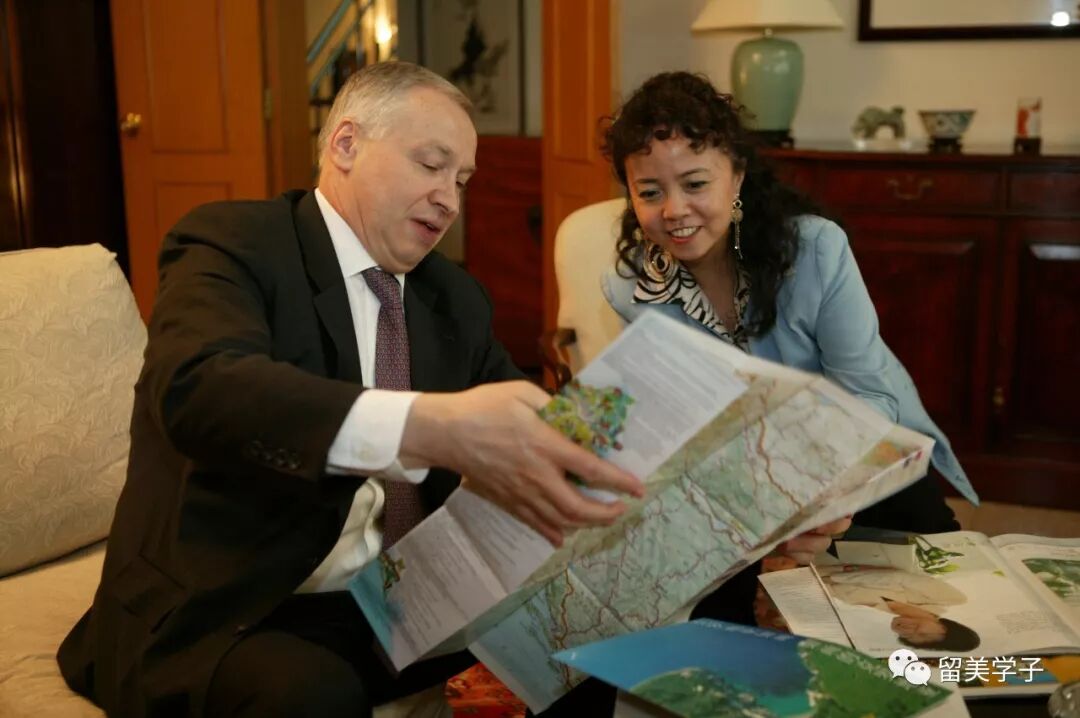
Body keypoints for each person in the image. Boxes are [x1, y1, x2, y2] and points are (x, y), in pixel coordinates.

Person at [56, 61, 646, 718]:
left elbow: (527, 421)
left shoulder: (455, 298)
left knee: (586, 628)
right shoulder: (233, 242)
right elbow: (198, 390)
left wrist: (627, 453)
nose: (450, 200)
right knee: (310, 694)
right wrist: (427, 426)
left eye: (461, 180)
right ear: (345, 144)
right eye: (431, 165)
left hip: (396, 601)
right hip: (240, 604)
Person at [534, 70, 976, 716]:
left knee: (939, 618)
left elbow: (871, 400)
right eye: (649, 191)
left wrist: (824, 502)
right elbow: (680, 417)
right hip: (745, 483)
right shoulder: (632, 287)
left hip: (865, 460)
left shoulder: (816, 250)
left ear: (736, 177)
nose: (673, 211)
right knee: (708, 638)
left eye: (695, 184)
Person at [818, 564, 980, 651]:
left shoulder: (874, 614)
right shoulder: (949, 598)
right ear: (944, 627)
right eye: (921, 632)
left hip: (816, 568)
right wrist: (829, 578)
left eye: (908, 636)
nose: (905, 630)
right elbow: (896, 576)